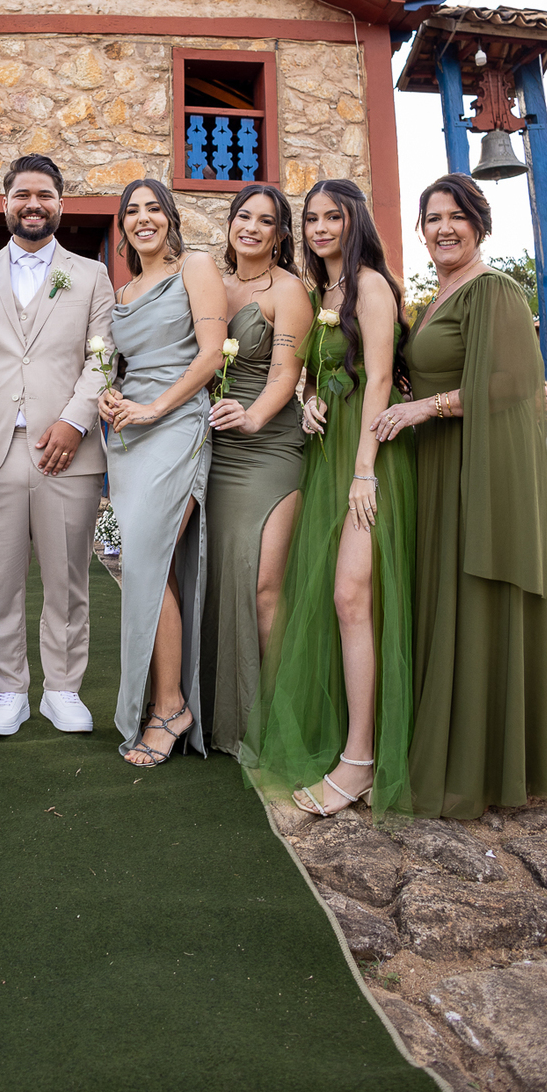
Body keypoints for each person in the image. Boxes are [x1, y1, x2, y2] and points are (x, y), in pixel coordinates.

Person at [372, 173, 547, 819]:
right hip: (436, 466)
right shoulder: (436, 298)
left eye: (456, 216)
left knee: (474, 603)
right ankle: (446, 746)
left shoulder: (495, 290)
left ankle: (483, 765)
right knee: (441, 601)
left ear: (478, 224)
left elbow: (512, 382)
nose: (444, 228)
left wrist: (424, 407)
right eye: (433, 218)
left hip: (477, 470)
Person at [242, 180, 416, 819]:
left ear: (354, 221)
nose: (319, 228)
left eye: (332, 217)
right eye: (311, 218)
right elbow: (325, 373)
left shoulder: (370, 285)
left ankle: (362, 760)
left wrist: (364, 470)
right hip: (326, 452)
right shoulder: (320, 293)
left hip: (368, 457)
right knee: (331, 600)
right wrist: (313, 399)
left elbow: (379, 378)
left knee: (351, 596)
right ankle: (349, 745)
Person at [0, 155, 115, 738]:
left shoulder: (91, 275)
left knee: (68, 577)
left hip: (67, 449)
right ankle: (10, 691)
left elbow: (102, 358)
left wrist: (74, 421)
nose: (33, 204)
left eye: (44, 194)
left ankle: (63, 689)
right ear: (5, 203)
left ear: (60, 204)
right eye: (22, 194)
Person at [98, 179, 227, 765]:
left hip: (176, 426)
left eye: (154, 208)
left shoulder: (194, 267)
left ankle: (171, 706)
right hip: (128, 434)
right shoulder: (122, 290)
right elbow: (122, 365)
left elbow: (211, 354)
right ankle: (164, 699)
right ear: (123, 225)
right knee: (140, 563)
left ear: (170, 217)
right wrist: (111, 396)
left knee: (148, 560)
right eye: (132, 211)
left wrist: (155, 408)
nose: (143, 218)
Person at [200, 184, 313, 755]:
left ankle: (279, 724)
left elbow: (285, 375)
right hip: (211, 449)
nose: (251, 227)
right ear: (230, 223)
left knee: (264, 587)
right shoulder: (211, 285)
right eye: (243, 216)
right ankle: (219, 715)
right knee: (217, 578)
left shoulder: (289, 290)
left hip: (268, 446)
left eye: (265, 221)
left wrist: (251, 418)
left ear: (280, 235)